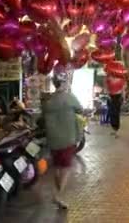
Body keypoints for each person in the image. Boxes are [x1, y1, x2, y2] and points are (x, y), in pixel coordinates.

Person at [42, 74, 81, 210]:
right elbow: (80, 109)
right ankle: (58, 195)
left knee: (57, 167)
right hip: (67, 138)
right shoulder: (69, 97)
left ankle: (58, 195)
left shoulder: (48, 101)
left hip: (53, 139)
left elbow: (42, 116)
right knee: (66, 167)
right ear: (63, 84)